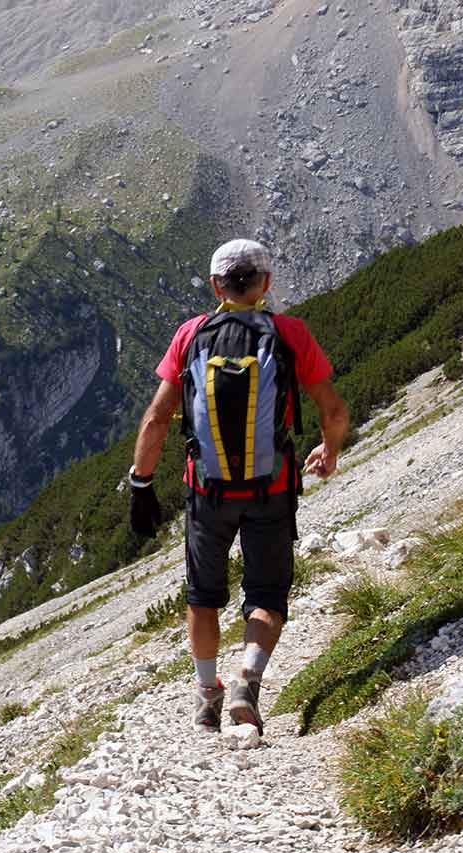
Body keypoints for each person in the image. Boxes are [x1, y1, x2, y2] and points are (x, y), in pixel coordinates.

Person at [127, 238, 349, 734]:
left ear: (215, 286)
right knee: (267, 595)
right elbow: (332, 410)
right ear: (266, 285)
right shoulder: (289, 333)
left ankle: (208, 695)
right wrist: (329, 451)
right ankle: (248, 679)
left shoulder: (190, 335)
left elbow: (158, 418)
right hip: (272, 488)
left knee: (202, 597)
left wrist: (141, 483)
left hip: (206, 492)